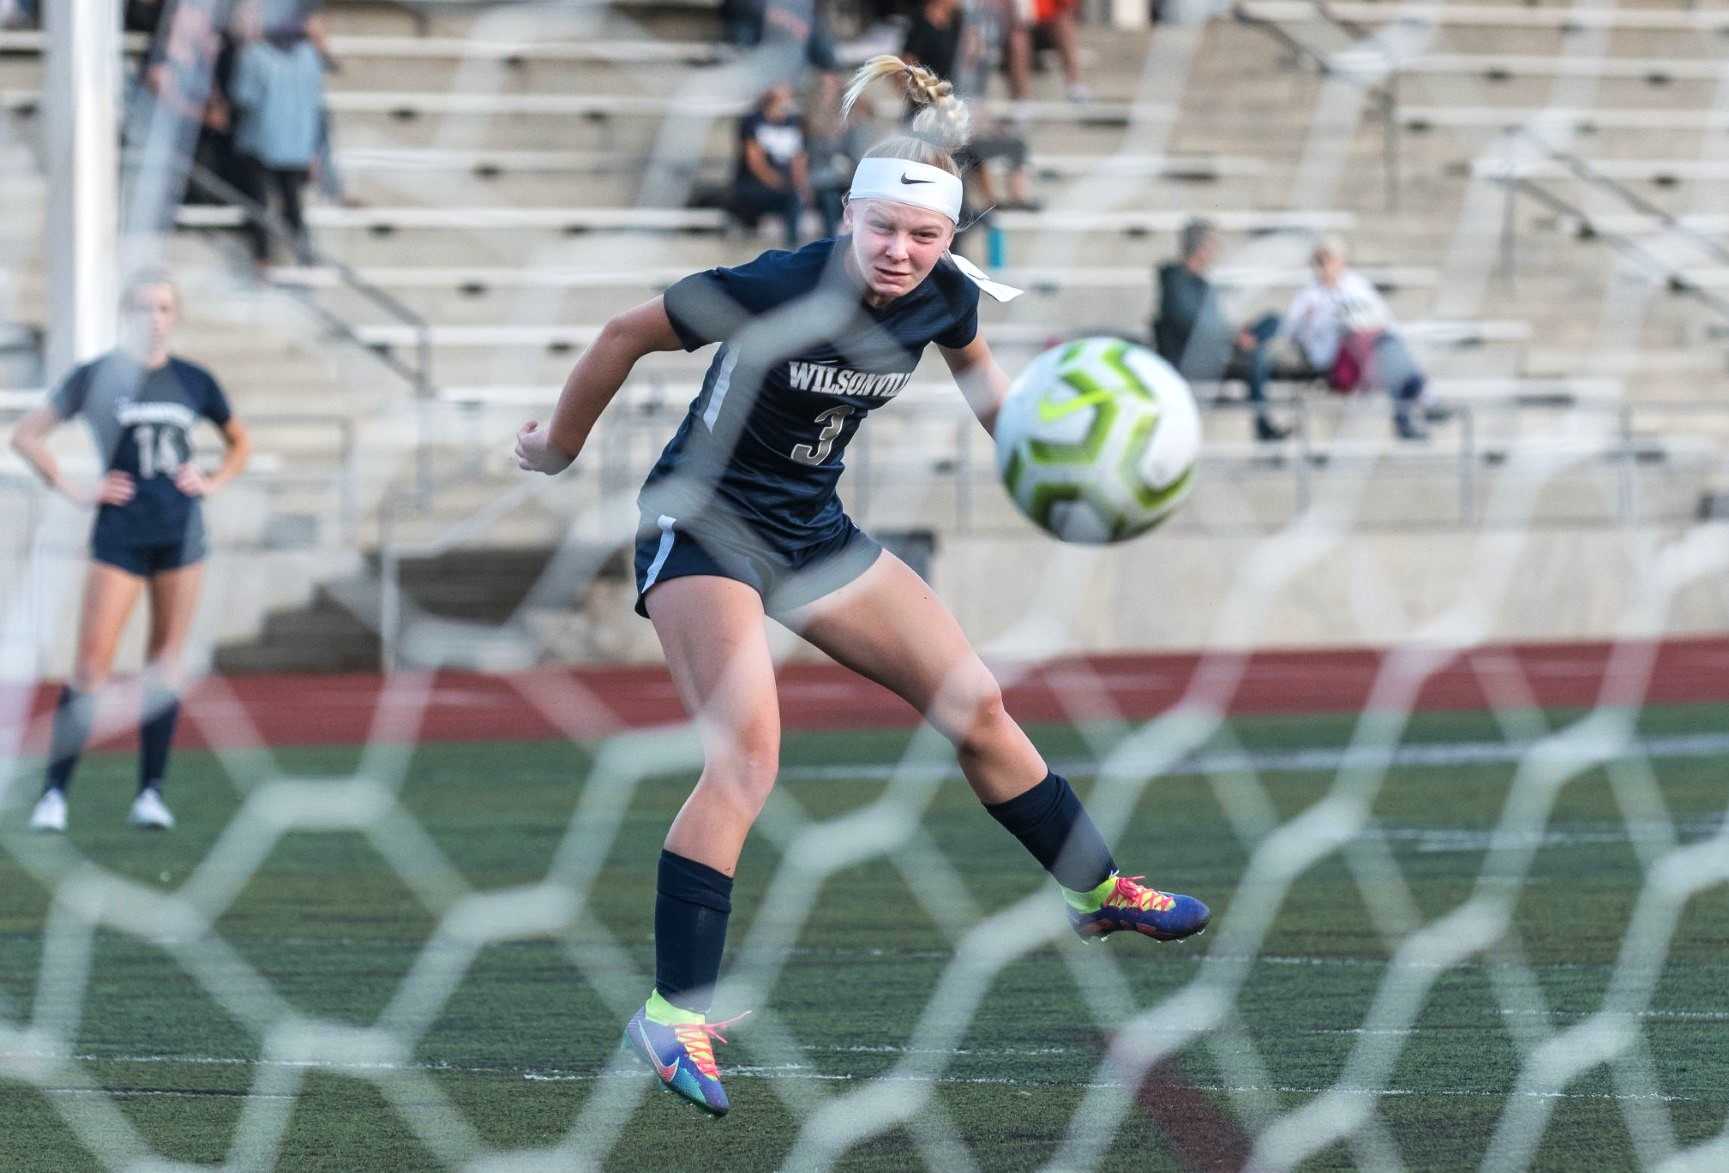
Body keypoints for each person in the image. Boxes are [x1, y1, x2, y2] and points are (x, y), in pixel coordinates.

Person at [514, 55, 1209, 1118]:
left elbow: (982, 379)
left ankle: (1097, 890)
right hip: (702, 526)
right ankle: (671, 1011)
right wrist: (558, 447)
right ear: (848, 216)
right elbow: (624, 334)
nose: (900, 251)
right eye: (882, 228)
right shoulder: (777, 285)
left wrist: (1053, 456)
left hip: (811, 532)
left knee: (976, 704)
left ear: (948, 240)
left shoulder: (944, 293)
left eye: (923, 235)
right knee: (747, 758)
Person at [11, 272, 251, 834]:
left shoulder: (194, 379)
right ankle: (54, 796)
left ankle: (150, 793)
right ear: (126, 314)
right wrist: (73, 487)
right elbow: (25, 435)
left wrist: (213, 480)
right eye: (144, 308)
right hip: (119, 535)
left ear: (175, 315)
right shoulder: (98, 376)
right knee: (90, 665)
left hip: (181, 536)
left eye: (164, 308)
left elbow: (239, 442)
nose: (154, 318)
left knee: (165, 665)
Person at [1153, 219, 1304, 443]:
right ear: (1200, 248)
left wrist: (1236, 333)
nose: (1216, 251)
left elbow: (1214, 322)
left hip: (1221, 345)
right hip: (1197, 356)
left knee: (1273, 321)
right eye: (1212, 244)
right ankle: (1264, 428)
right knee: (1257, 357)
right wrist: (1232, 337)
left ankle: (1253, 343)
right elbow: (1193, 326)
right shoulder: (1177, 282)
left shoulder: (1201, 284)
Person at [1283, 236, 1430, 441]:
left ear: (1340, 262)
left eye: (1329, 260)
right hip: (1335, 359)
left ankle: (1413, 401)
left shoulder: (1357, 286)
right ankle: (1421, 399)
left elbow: (1384, 321)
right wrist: (1309, 322)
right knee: (1377, 346)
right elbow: (1291, 331)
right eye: (1320, 261)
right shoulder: (1309, 295)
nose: (1325, 266)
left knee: (1387, 345)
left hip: (1369, 351)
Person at [228, 13, 326, 269]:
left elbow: (243, 97)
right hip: (297, 144)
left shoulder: (254, 54)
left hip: (261, 142)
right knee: (292, 201)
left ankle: (263, 257)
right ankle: (304, 255)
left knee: (258, 200)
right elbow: (317, 106)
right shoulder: (309, 55)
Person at [731, 83, 811, 249]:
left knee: (796, 198)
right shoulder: (753, 122)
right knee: (788, 197)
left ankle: (792, 246)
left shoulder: (793, 123)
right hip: (754, 184)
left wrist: (801, 185)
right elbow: (755, 160)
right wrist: (776, 181)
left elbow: (799, 159)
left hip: (785, 186)